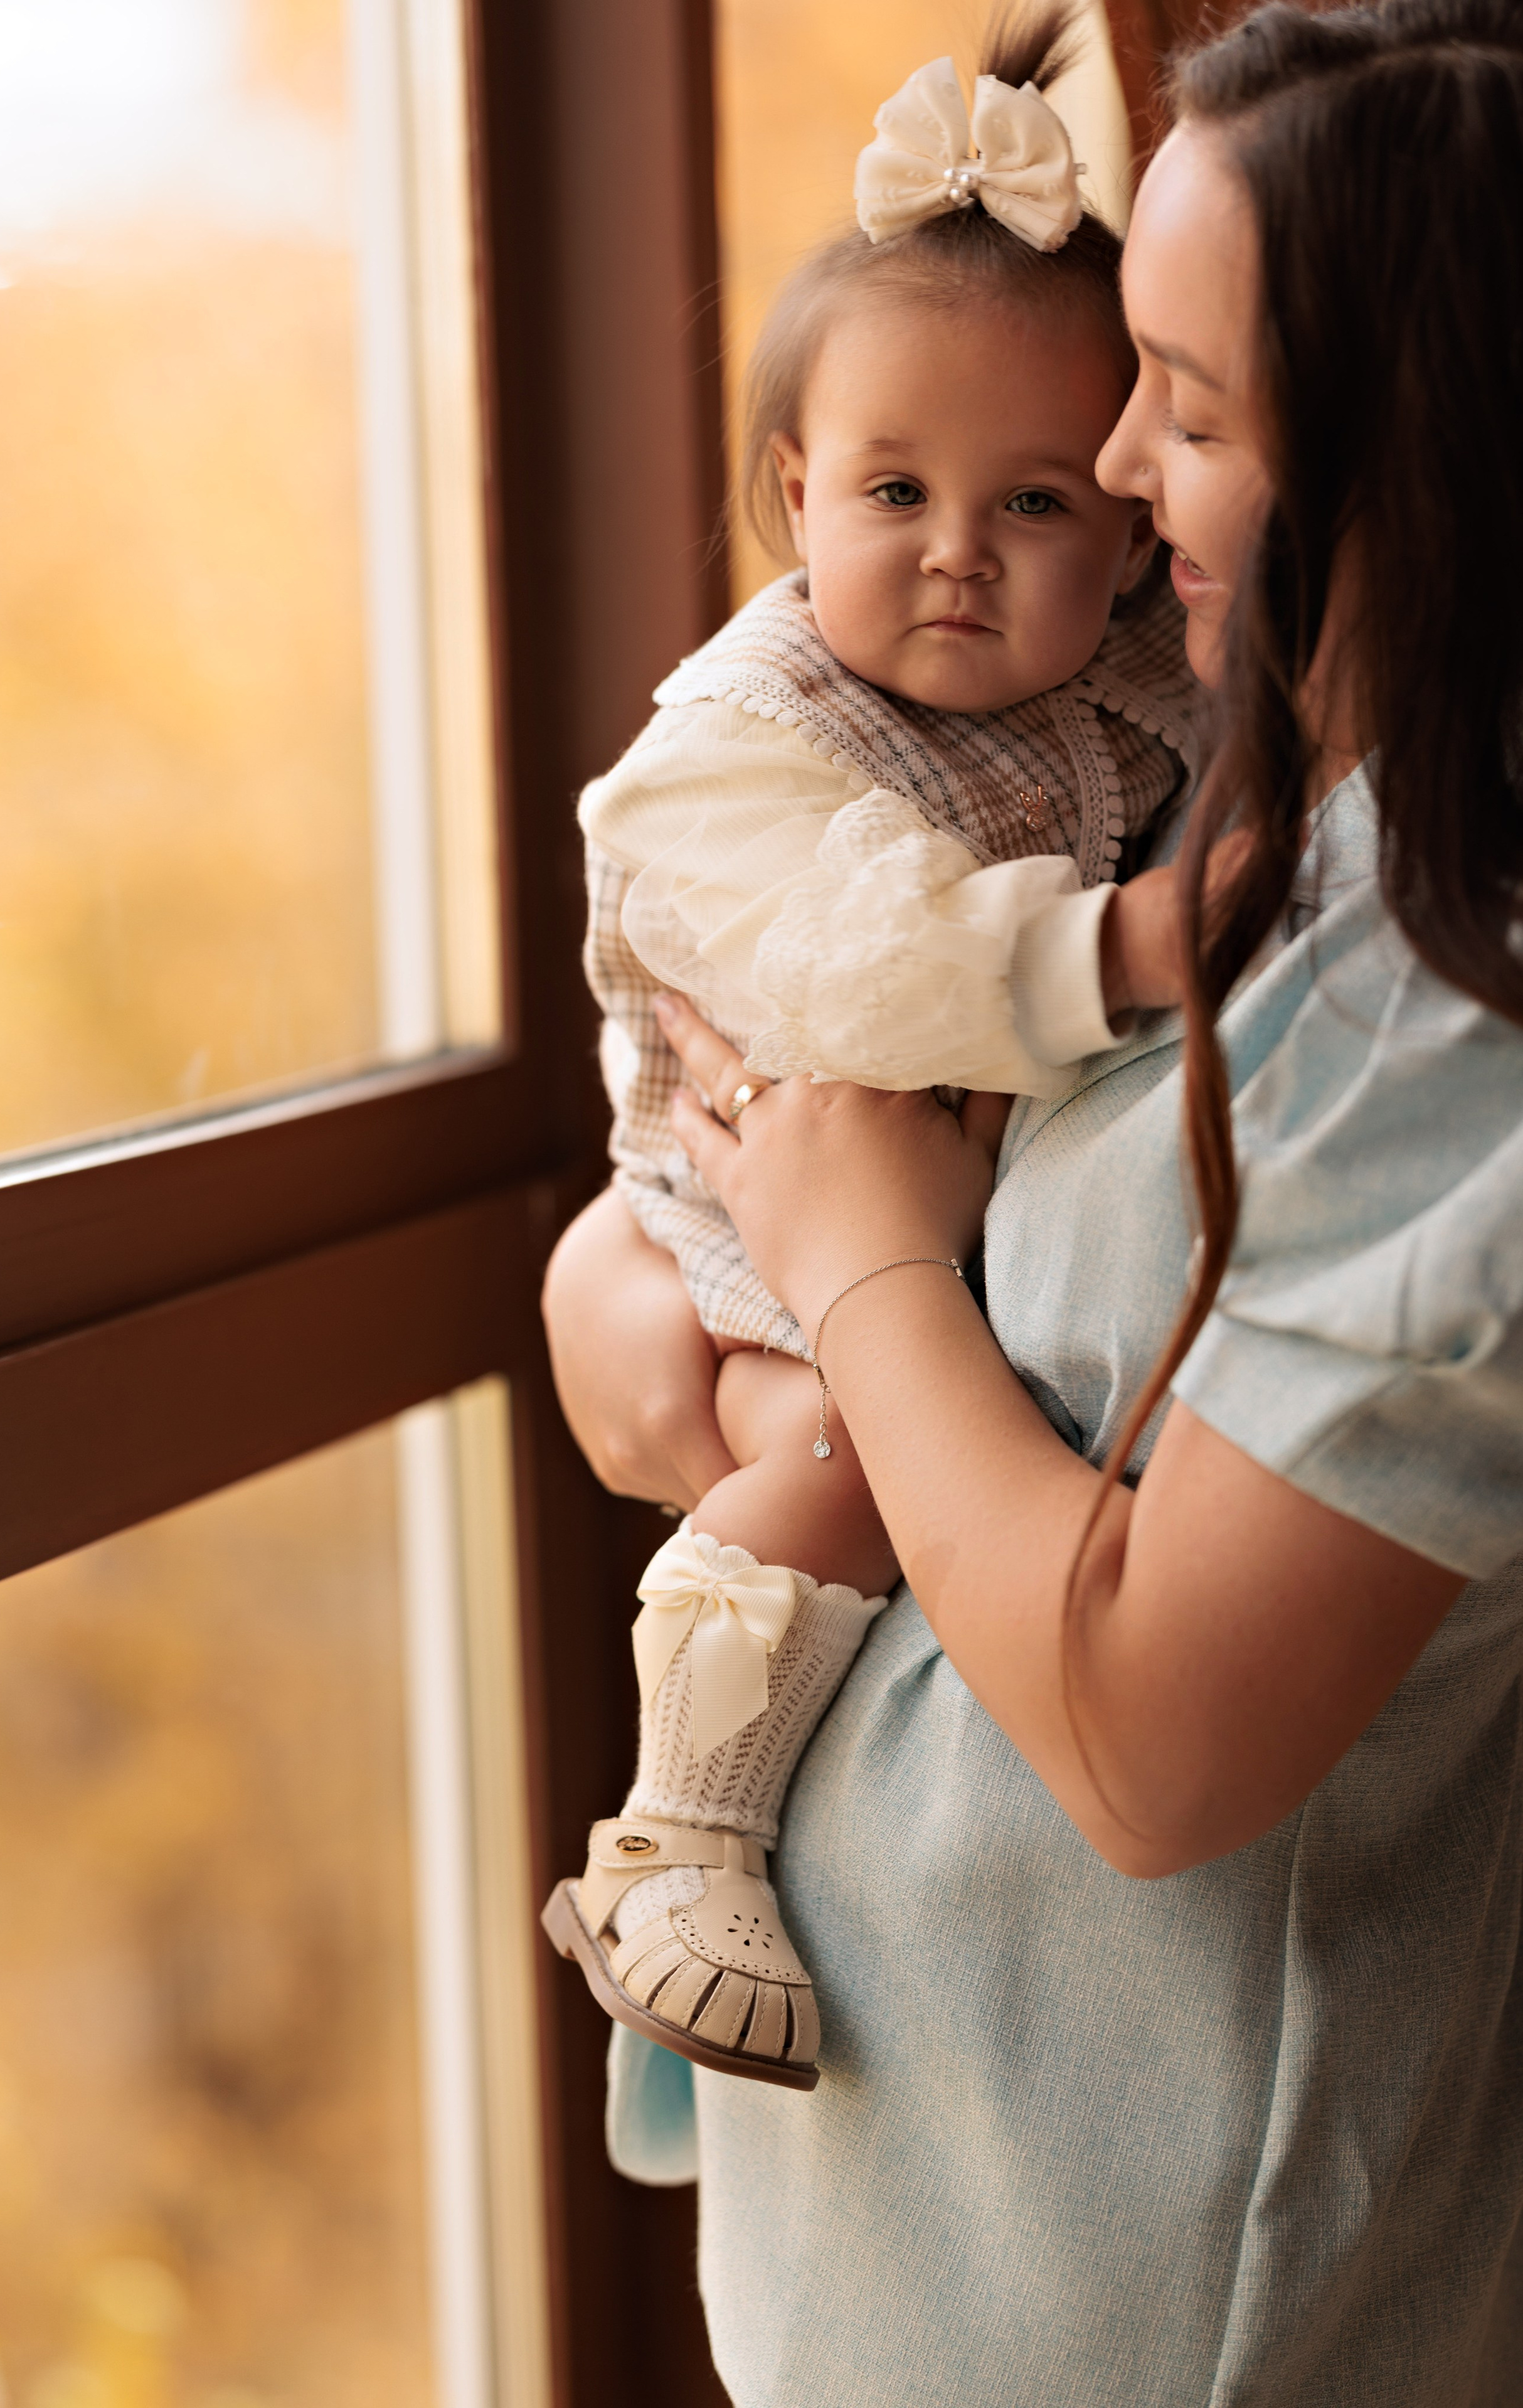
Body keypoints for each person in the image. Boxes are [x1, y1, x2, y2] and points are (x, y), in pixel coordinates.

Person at [542, 0, 1523, 2395]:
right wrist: (664, 1292)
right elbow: (970, 1270)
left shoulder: (1451, 981)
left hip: (1159, 2299)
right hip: (933, 2224)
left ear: (1427, 438)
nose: (1102, 460)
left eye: (1178, 404)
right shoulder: (1249, 789)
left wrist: (849, 1265)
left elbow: (1157, 1732)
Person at [542, 14, 1204, 2089]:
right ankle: (677, 1836)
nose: (957, 552)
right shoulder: (730, 756)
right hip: (752, 1201)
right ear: (789, 493)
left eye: (1033, 503)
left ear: (1129, 527)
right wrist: (1141, 937)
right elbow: (870, 966)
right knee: (831, 1463)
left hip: (917, 1198)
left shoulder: (1126, 674)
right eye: (894, 490)